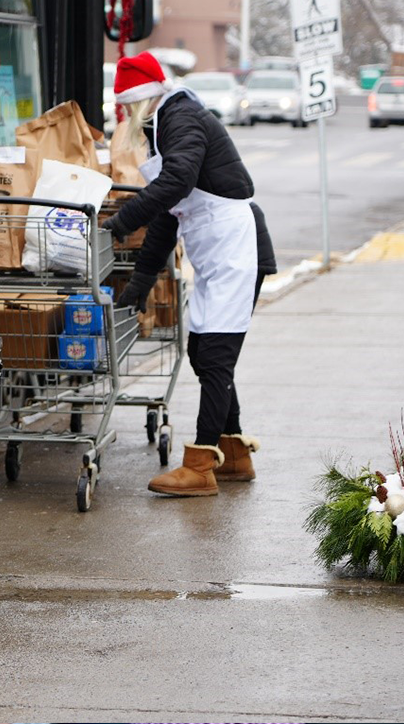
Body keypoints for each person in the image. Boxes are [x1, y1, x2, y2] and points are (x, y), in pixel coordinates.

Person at [101, 52, 274, 497]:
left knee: (214, 358)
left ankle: (200, 466)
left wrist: (124, 220)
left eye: (126, 108)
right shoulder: (166, 125)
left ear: (141, 100)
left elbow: (175, 183)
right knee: (204, 353)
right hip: (218, 253)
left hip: (237, 249)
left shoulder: (181, 116)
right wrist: (141, 282)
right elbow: (169, 215)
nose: (125, 117)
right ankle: (234, 454)